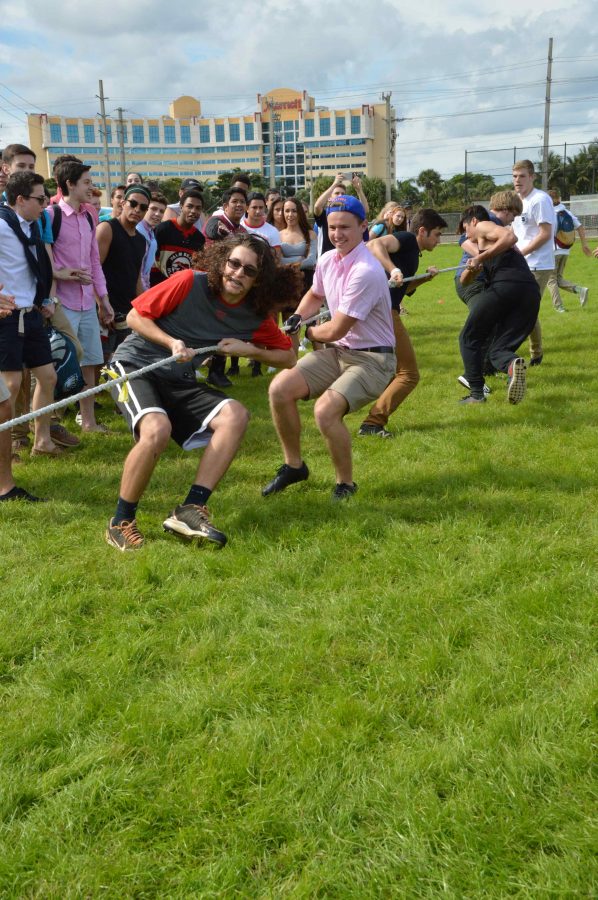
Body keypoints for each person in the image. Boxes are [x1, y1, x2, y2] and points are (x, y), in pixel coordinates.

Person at [105, 234, 301, 552]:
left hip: (179, 378)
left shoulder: (254, 315)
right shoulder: (188, 282)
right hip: (134, 365)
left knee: (236, 415)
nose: (237, 274)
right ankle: (120, 522)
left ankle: (190, 510)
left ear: (259, 280)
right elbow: (134, 317)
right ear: (222, 261)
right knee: (156, 430)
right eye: (233, 263)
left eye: (249, 271)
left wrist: (248, 349)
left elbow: (288, 357)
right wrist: (171, 342)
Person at [263, 195, 395, 501]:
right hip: (341, 353)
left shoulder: (365, 270)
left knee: (325, 411)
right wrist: (297, 315)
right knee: (279, 389)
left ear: (364, 226)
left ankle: (345, 484)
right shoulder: (326, 259)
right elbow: (314, 293)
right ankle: (294, 466)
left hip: (374, 360)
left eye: (346, 227)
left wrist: (309, 330)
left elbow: (335, 329)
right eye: (333, 227)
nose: (338, 234)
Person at [358, 208, 446, 437]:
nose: (438, 240)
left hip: (382, 309)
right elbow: (374, 245)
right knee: (408, 374)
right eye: (436, 234)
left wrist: (424, 279)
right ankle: (372, 423)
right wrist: (393, 268)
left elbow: (402, 289)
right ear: (422, 231)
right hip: (384, 313)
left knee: (389, 370)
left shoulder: (413, 253)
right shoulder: (406, 239)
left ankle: (364, 418)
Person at [47, 160, 114, 432]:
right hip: (62, 304)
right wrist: (61, 274)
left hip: (88, 303)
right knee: (57, 363)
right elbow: (43, 259)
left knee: (90, 363)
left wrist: (104, 299)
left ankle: (88, 421)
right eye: (86, 182)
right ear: (70, 185)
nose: (91, 187)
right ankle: (48, 423)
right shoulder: (51, 216)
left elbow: (94, 261)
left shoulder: (90, 215)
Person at [0, 172, 61, 457]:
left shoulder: (32, 227)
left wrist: (45, 298)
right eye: (39, 199)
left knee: (47, 378)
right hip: (7, 315)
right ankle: (5, 448)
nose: (44, 204)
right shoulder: (1, 224)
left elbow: (37, 269)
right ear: (20, 199)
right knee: (10, 385)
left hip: (32, 311)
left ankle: (42, 441)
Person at [457, 200, 541, 405]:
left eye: (466, 228)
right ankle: (512, 365)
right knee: (498, 350)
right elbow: (464, 281)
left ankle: (477, 394)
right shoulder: (484, 247)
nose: (466, 235)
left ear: (474, 221)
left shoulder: (484, 225)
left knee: (469, 337)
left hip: (507, 285)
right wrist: (473, 267)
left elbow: (511, 236)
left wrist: (482, 256)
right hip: (530, 292)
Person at [511, 160, 555, 366]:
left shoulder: (540, 199)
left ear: (532, 177)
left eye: (522, 176)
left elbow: (546, 234)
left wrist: (521, 252)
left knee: (525, 310)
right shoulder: (517, 201)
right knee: (522, 309)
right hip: (521, 262)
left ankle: (533, 355)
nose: (517, 180)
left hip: (538, 264)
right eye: (514, 176)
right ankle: (531, 354)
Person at [97, 184, 148, 361]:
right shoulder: (107, 228)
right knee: (99, 361)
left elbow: (136, 280)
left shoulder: (142, 240)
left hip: (127, 311)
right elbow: (94, 270)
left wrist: (144, 309)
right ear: (123, 203)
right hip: (104, 308)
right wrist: (101, 304)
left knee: (124, 362)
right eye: (133, 204)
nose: (137, 210)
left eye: (143, 207)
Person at [546, 189, 590, 310]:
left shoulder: (548, 214)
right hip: (565, 250)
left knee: (551, 280)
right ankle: (580, 290)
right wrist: (584, 244)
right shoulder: (566, 212)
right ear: (559, 199)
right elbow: (580, 227)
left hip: (553, 250)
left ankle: (559, 307)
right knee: (558, 279)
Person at [151, 189, 205, 286]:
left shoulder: (199, 238)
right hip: (160, 287)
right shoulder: (162, 229)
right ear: (181, 207)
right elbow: (152, 263)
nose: (193, 211)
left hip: (183, 291)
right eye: (190, 206)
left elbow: (196, 269)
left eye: (198, 208)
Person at [313, 172, 369, 256]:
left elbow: (364, 211)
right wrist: (334, 184)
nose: (340, 196)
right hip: (328, 260)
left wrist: (359, 190)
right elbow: (317, 207)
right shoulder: (325, 214)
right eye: (336, 193)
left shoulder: (349, 213)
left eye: (343, 194)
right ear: (329, 198)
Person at [137, 191, 167, 292]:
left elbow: (146, 272)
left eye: (162, 211)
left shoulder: (150, 232)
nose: (158, 214)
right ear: (145, 208)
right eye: (153, 209)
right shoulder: (137, 231)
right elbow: (138, 272)